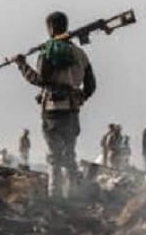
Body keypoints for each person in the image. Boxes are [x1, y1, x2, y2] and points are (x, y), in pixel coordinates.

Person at [13, 11, 97, 198]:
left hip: (51, 112)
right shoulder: (81, 54)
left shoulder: (47, 51)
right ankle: (73, 194)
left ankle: (55, 196)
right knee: (70, 154)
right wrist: (79, 96)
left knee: (54, 157)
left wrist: (22, 65)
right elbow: (91, 86)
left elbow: (40, 80)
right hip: (72, 112)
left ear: (50, 28)